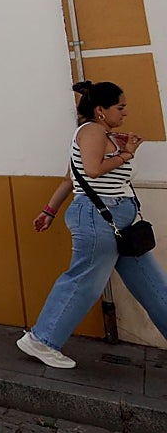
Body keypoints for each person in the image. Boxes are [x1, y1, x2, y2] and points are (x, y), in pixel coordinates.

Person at [18, 80, 167, 368]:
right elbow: (92, 171)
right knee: (85, 281)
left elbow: (69, 178)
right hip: (99, 217)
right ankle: (42, 340)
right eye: (120, 107)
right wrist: (127, 154)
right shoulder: (92, 131)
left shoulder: (103, 134)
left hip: (118, 221)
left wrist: (49, 211)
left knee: (152, 284)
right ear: (101, 110)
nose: (124, 113)